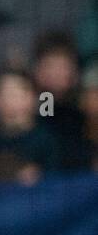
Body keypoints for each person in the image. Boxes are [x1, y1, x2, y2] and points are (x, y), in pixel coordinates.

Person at [0, 67, 59, 184]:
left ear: (32, 97)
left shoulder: (46, 139)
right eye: (4, 92)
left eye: (17, 93)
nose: (10, 99)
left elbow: (56, 183)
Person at [32, 31, 95, 172]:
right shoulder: (38, 109)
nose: (56, 73)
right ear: (38, 70)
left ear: (74, 71)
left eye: (62, 66)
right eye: (49, 65)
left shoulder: (85, 112)